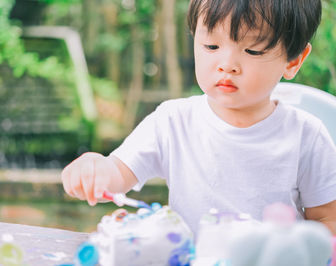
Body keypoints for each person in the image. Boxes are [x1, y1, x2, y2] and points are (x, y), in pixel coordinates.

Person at [62, 0, 336, 236]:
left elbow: (327, 219)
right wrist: (94, 169)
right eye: (211, 45)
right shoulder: (173, 121)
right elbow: (119, 173)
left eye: (252, 50)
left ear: (293, 61)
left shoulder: (306, 136)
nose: (227, 64)